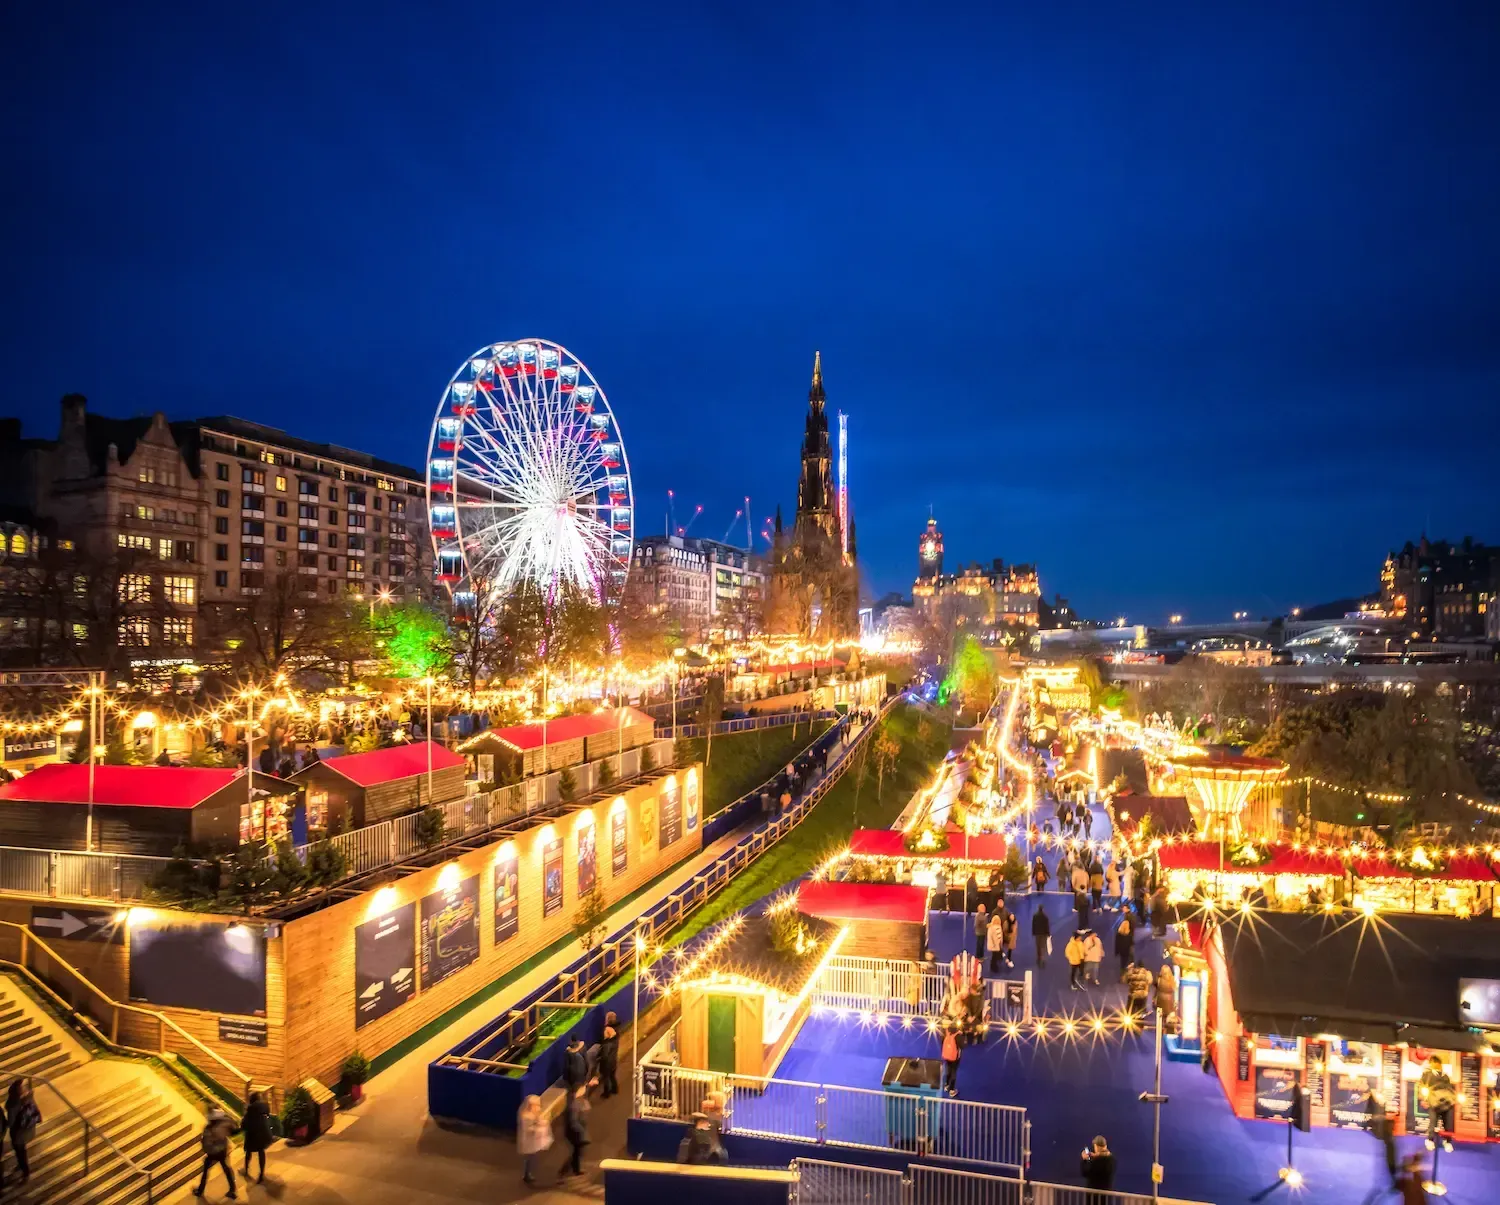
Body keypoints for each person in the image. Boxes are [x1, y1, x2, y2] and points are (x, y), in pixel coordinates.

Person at [195, 1107, 239, 1199]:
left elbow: (206, 1143)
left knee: (206, 1171)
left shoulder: (208, 1129)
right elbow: (234, 1130)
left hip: (213, 1153)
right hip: (223, 1151)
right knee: (227, 1170)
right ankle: (232, 1190)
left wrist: (207, 1150)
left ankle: (200, 1191)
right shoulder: (225, 1122)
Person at [7, 1079, 41, 1189]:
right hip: (25, 1130)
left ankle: (25, 1173)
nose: (25, 1088)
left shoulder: (13, 1104)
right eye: (23, 1086)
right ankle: (21, 1168)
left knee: (20, 1152)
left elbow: (11, 1122)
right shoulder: (28, 1098)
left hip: (18, 1133)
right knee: (21, 1151)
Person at [1418, 1056, 1457, 1152]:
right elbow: (1421, 1087)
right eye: (1432, 1063)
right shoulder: (1426, 1074)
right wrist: (1423, 1099)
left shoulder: (1445, 1076)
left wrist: (1453, 1099)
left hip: (1447, 1103)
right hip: (1434, 1102)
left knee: (1448, 1123)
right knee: (1433, 1122)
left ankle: (1447, 1141)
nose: (1434, 1065)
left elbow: (1450, 1089)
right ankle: (1430, 1140)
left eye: (1435, 1063)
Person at [517, 1095, 553, 1186]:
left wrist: (541, 1122)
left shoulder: (533, 1113)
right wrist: (538, 1128)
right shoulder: (526, 1116)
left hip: (533, 1140)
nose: (538, 1107)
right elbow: (528, 1129)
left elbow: (537, 1121)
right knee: (529, 1157)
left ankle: (528, 1173)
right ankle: (527, 1175)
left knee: (532, 1157)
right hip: (529, 1140)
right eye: (536, 1105)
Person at [241, 1090, 273, 1184]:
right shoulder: (265, 1106)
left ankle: (246, 1170)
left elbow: (244, 1124)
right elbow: (267, 1114)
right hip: (264, 1132)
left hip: (253, 1135)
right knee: (261, 1151)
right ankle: (261, 1174)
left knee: (248, 1152)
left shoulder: (249, 1109)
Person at [559, 1084, 590, 1179]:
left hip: (577, 1131)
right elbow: (573, 1122)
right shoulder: (574, 1104)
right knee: (577, 1152)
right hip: (574, 1133)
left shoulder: (578, 1100)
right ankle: (567, 1170)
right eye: (582, 1089)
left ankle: (575, 1168)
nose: (584, 1090)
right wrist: (582, 1132)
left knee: (577, 1151)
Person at [597, 1024, 620, 1099]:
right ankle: (615, 1089)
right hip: (613, 1062)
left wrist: (599, 1058)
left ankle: (606, 1093)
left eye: (605, 1032)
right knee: (612, 1076)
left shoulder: (606, 1044)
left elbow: (604, 1056)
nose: (603, 1033)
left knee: (606, 1079)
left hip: (607, 1065)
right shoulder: (615, 1040)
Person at [940, 1027, 961, 1098]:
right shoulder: (958, 1036)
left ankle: (946, 1085)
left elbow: (942, 1042)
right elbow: (963, 1046)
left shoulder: (946, 1033)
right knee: (953, 1073)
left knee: (948, 1070)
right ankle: (951, 1090)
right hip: (954, 1058)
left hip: (947, 1056)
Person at [1114, 913, 1135, 977]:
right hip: (1128, 952)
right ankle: (1129, 975)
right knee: (1130, 963)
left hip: (1122, 952)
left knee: (1123, 963)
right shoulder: (1129, 935)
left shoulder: (1118, 935)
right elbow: (1131, 943)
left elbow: (1117, 944)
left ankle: (1122, 975)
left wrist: (1116, 952)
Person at [986, 909, 1006, 974]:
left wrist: (1000, 943)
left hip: (998, 944)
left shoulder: (999, 927)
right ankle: (993, 967)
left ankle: (994, 966)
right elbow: (992, 937)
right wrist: (995, 944)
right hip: (994, 945)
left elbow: (1000, 935)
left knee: (995, 956)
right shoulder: (991, 928)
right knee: (994, 957)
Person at [1002, 905, 1019, 969]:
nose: (1012, 918)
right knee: (1004, 947)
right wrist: (1007, 937)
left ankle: (1008, 959)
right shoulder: (1006, 923)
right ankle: (1006, 957)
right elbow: (1004, 931)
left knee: (1010, 950)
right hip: (1007, 938)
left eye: (1013, 917)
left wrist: (1015, 936)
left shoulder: (1015, 923)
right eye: (1011, 917)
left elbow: (1016, 930)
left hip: (1012, 939)